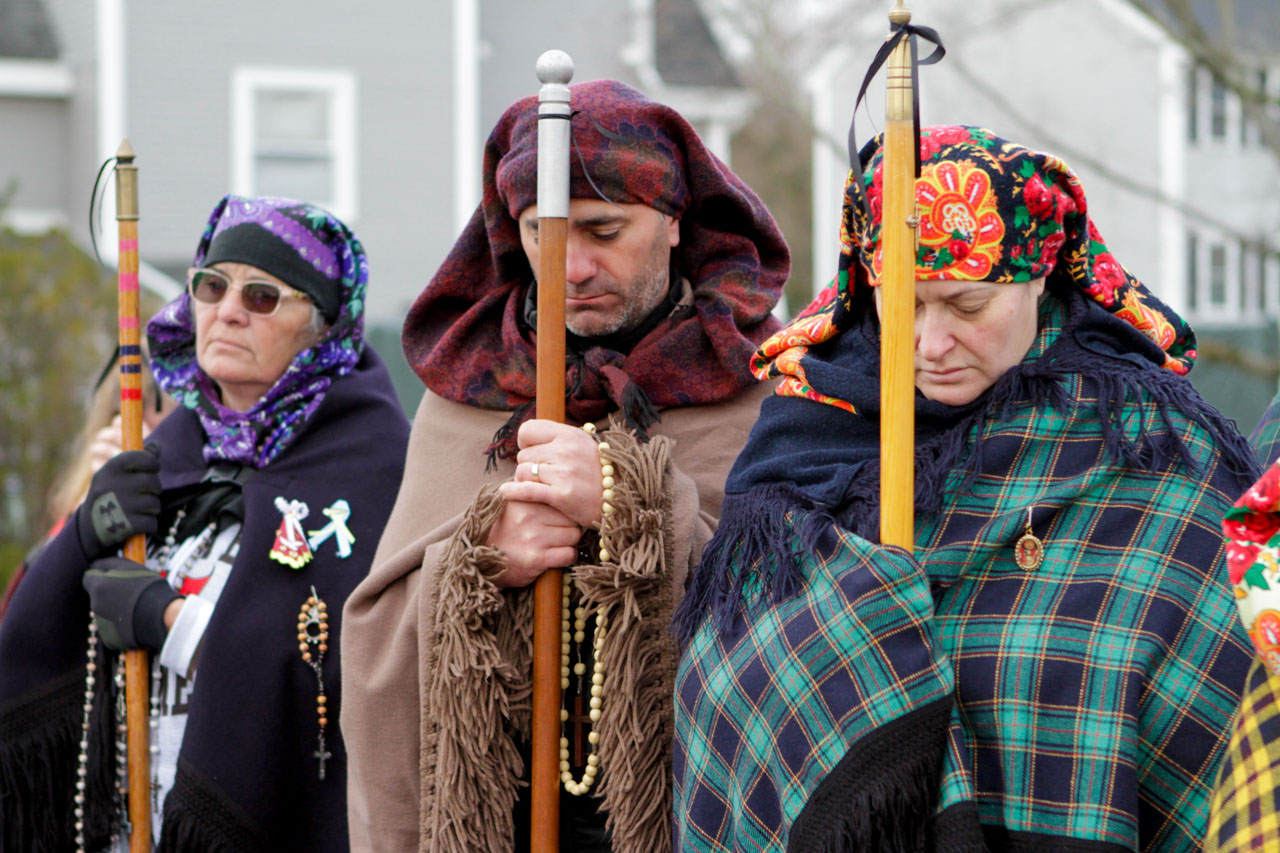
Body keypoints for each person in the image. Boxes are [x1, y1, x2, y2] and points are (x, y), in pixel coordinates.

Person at [671, 126, 1259, 851]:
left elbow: (1226, 705)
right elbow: (730, 685)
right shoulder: (802, 442)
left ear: (1039, 277)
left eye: (968, 305)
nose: (931, 343)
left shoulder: (1152, 447)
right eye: (903, 305)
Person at [340, 79, 789, 853]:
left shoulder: (759, 383)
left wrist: (625, 503)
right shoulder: (468, 393)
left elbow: (798, 621)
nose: (572, 266)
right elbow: (377, 635)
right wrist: (477, 559)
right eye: (542, 232)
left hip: (687, 818)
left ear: (674, 220)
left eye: (604, 230)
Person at [0, 194, 410, 852]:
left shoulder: (374, 466)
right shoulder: (169, 452)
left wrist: (172, 622)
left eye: (262, 296)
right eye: (212, 286)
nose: (228, 310)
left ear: (322, 328)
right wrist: (82, 535)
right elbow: (33, 638)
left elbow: (358, 675)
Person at [1, 348, 176, 624]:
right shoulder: (77, 503)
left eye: (145, 405)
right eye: (117, 410)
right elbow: (25, 610)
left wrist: (160, 477)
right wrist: (86, 518)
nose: (123, 423)